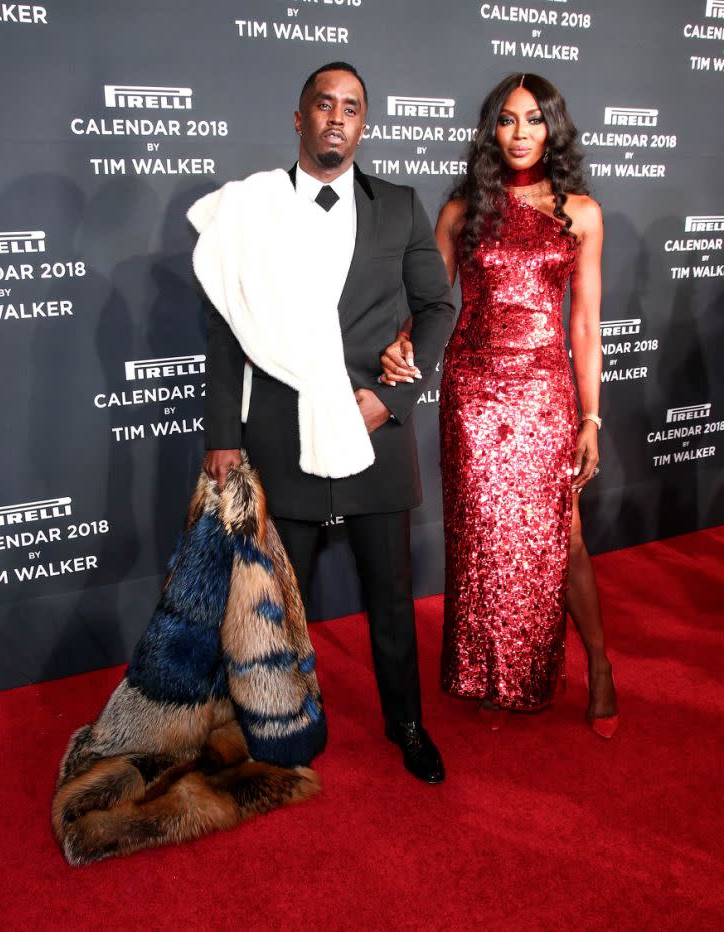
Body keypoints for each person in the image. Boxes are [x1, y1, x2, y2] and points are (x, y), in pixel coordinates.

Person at [194, 62, 456, 782]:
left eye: (351, 108)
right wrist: (223, 433)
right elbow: (225, 325)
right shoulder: (252, 208)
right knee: (276, 601)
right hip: (282, 431)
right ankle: (278, 728)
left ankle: (406, 724)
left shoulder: (399, 206)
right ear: (300, 117)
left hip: (374, 431)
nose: (337, 117)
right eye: (323, 105)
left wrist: (392, 400)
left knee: (393, 598)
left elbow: (438, 307)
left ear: (363, 124)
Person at [380, 73, 618, 737]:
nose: (520, 134)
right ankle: (496, 671)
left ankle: (598, 663)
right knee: (483, 538)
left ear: (553, 129)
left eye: (534, 120)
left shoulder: (582, 212)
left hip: (545, 394)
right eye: (508, 120)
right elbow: (432, 306)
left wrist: (591, 418)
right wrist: (402, 346)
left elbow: (585, 327)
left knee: (558, 536)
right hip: (473, 395)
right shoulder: (463, 212)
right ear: (492, 130)